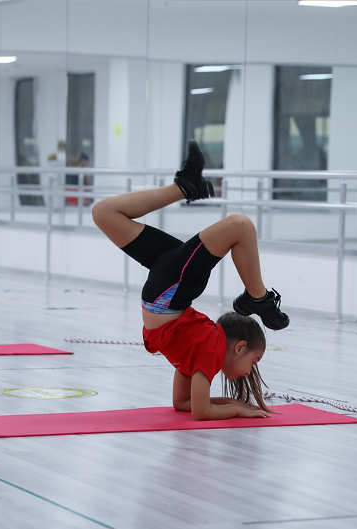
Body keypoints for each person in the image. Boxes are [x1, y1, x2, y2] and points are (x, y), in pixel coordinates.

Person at [92, 141, 289, 421]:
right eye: (253, 361)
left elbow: (183, 403)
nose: (250, 370)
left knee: (103, 213)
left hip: (169, 287)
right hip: (172, 288)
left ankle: (183, 188)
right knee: (240, 226)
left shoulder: (203, 353)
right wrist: (236, 409)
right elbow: (200, 411)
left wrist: (236, 403)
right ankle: (259, 300)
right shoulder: (211, 350)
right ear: (240, 347)